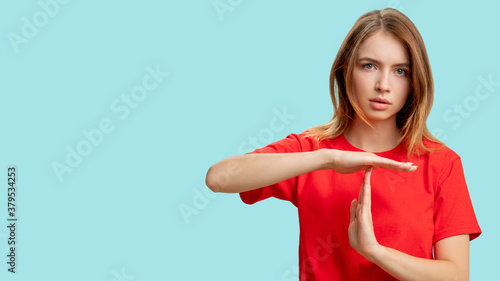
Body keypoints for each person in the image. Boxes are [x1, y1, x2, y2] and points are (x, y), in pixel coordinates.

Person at [205, 8, 481, 281]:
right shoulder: (313, 150)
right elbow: (218, 178)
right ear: (346, 69)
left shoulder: (441, 162)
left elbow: (456, 276)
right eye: (369, 66)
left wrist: (375, 252)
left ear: (414, 82)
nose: (383, 85)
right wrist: (328, 159)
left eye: (400, 71)